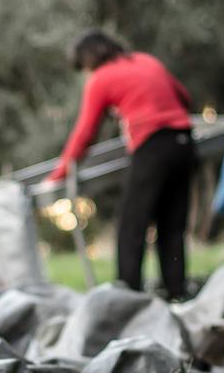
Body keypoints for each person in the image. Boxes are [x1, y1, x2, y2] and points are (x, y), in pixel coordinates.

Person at [46, 31, 195, 300]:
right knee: (171, 226)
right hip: (183, 143)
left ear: (89, 60)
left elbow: (85, 133)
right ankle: (177, 294)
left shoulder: (101, 78)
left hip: (152, 147)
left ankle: (127, 299)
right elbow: (183, 97)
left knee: (131, 228)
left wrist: (60, 173)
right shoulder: (146, 60)